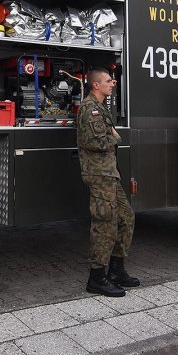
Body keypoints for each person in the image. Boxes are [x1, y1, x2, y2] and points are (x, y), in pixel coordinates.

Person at [76, 68, 139, 297]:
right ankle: (97, 277)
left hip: (110, 174)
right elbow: (96, 141)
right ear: (95, 85)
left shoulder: (101, 107)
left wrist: (110, 134)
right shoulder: (90, 108)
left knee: (126, 217)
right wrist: (115, 135)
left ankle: (116, 269)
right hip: (99, 174)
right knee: (105, 223)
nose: (112, 84)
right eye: (108, 81)